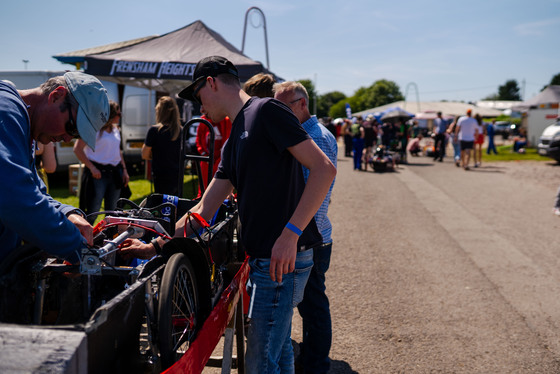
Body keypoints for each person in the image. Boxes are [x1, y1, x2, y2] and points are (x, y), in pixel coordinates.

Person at [119, 56, 336, 374]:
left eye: (197, 96)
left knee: (259, 364)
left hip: (283, 258)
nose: (198, 106)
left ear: (212, 83)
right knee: (279, 354)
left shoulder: (266, 111)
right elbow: (204, 210)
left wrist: (291, 233)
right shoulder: (236, 136)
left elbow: (323, 169)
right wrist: (156, 246)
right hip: (267, 258)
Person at [0, 71, 109, 265]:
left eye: (76, 135)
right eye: (72, 127)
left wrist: (68, 213)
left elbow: (35, 191)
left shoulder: (25, 126)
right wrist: (79, 251)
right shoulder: (6, 111)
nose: (68, 139)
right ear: (56, 95)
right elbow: (14, 198)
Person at [273, 81, 337, 374]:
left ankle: (315, 365)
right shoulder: (307, 133)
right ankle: (311, 361)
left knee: (312, 308)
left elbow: (314, 195)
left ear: (302, 104)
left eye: (282, 107)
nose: (278, 113)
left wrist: (294, 231)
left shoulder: (316, 137)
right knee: (309, 305)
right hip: (311, 235)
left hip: (311, 237)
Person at [74, 100, 128, 224]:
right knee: (93, 210)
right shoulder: (93, 128)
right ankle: (85, 238)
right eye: (118, 114)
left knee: (113, 212)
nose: (120, 117)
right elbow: (77, 149)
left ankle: (108, 238)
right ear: (110, 115)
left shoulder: (116, 129)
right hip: (97, 174)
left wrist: (124, 170)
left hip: (114, 173)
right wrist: (92, 168)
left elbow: (118, 151)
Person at [142, 96, 182, 196]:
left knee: (162, 206)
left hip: (160, 175)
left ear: (159, 111)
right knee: (175, 206)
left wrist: (154, 155)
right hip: (177, 174)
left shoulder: (154, 130)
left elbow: (144, 154)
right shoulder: (181, 130)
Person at [195, 105, 232, 196]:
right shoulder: (203, 121)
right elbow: (198, 140)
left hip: (220, 159)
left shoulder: (226, 121)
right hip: (206, 158)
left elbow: (227, 140)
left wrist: (220, 158)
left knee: (220, 185)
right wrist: (203, 154)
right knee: (203, 185)